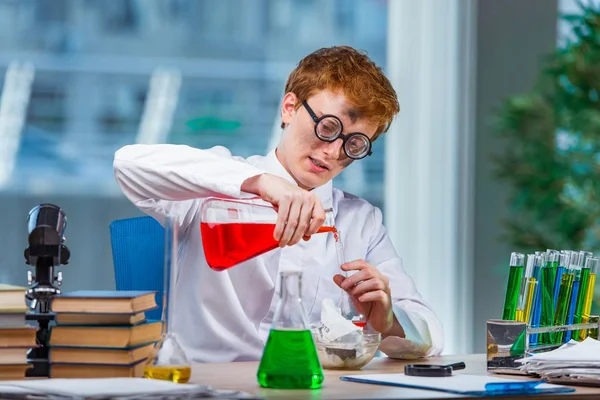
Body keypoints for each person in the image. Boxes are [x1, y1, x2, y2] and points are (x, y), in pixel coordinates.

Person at [113, 46, 444, 363]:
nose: (333, 152)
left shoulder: (359, 222)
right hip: (210, 383)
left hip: (309, 386)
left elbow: (431, 331)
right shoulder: (216, 183)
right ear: (289, 108)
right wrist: (261, 183)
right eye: (328, 127)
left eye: (354, 144)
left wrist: (388, 319)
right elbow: (128, 164)